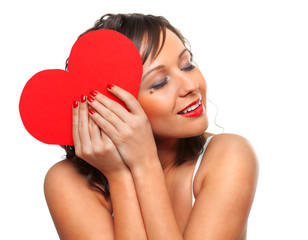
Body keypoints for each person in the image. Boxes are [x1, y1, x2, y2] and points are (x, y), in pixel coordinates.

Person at [44, 13, 258, 240]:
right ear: (111, 105)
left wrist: (144, 164)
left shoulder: (229, 155)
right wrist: (120, 176)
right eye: (160, 82)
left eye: (187, 66)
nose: (191, 85)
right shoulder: (67, 181)